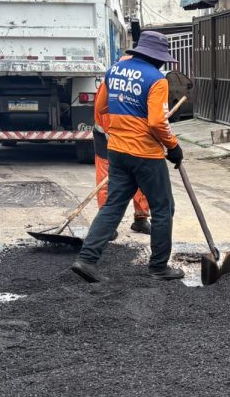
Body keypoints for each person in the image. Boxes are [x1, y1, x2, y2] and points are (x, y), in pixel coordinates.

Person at [72, 30, 182, 283]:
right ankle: (158, 267)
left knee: (113, 205)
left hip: (117, 152)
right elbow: (156, 122)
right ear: (156, 57)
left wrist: (119, 130)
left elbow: (100, 108)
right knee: (163, 208)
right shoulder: (157, 79)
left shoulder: (114, 71)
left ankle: (86, 260)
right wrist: (173, 147)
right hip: (146, 154)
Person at [93, 47, 152, 235]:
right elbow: (100, 110)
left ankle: (141, 218)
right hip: (107, 136)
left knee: (140, 177)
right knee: (106, 180)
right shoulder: (112, 81)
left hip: (131, 139)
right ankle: (106, 225)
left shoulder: (140, 80)